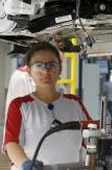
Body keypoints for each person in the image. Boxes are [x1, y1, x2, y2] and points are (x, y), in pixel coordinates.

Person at [3, 42, 91, 170]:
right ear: (29, 70)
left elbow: (92, 132)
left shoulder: (74, 103)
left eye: (51, 65)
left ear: (60, 69)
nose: (45, 71)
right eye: (38, 65)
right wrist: (25, 163)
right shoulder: (20, 105)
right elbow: (11, 143)